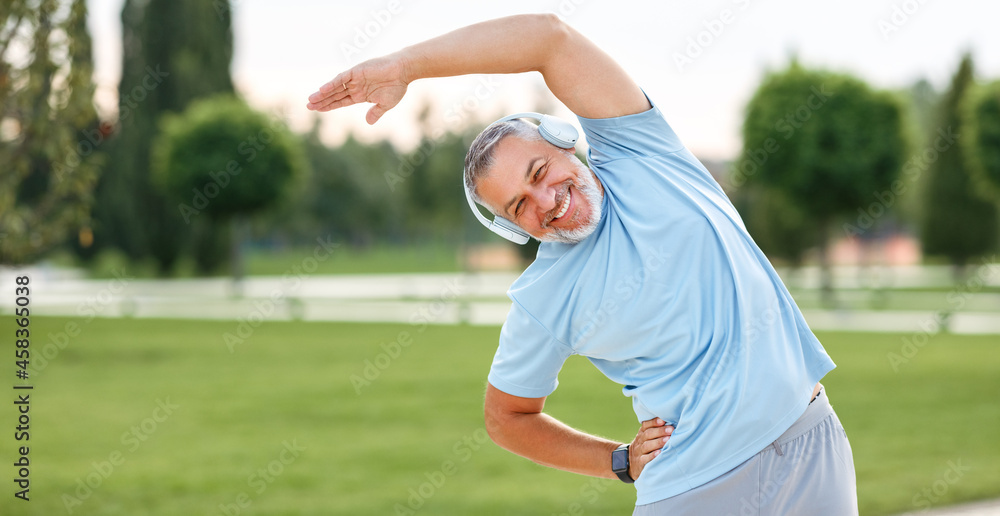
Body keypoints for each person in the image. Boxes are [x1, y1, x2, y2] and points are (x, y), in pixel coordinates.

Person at [307, 13, 858, 515]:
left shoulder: (643, 150)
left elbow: (549, 37)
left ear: (566, 142)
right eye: (519, 205)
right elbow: (506, 418)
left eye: (539, 171)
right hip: (694, 491)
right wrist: (617, 460)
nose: (544, 200)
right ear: (512, 226)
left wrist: (405, 66)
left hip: (811, 441)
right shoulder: (544, 295)